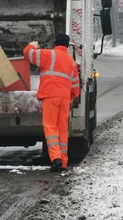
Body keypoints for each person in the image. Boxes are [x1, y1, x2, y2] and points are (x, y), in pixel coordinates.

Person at [23, 33, 80, 172]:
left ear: (55, 43)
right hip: (65, 98)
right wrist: (69, 96)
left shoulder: (48, 55)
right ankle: (63, 162)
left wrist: (33, 44)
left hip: (50, 96)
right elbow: (75, 87)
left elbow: (27, 53)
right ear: (67, 46)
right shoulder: (71, 62)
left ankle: (56, 158)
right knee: (62, 129)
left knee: (50, 127)